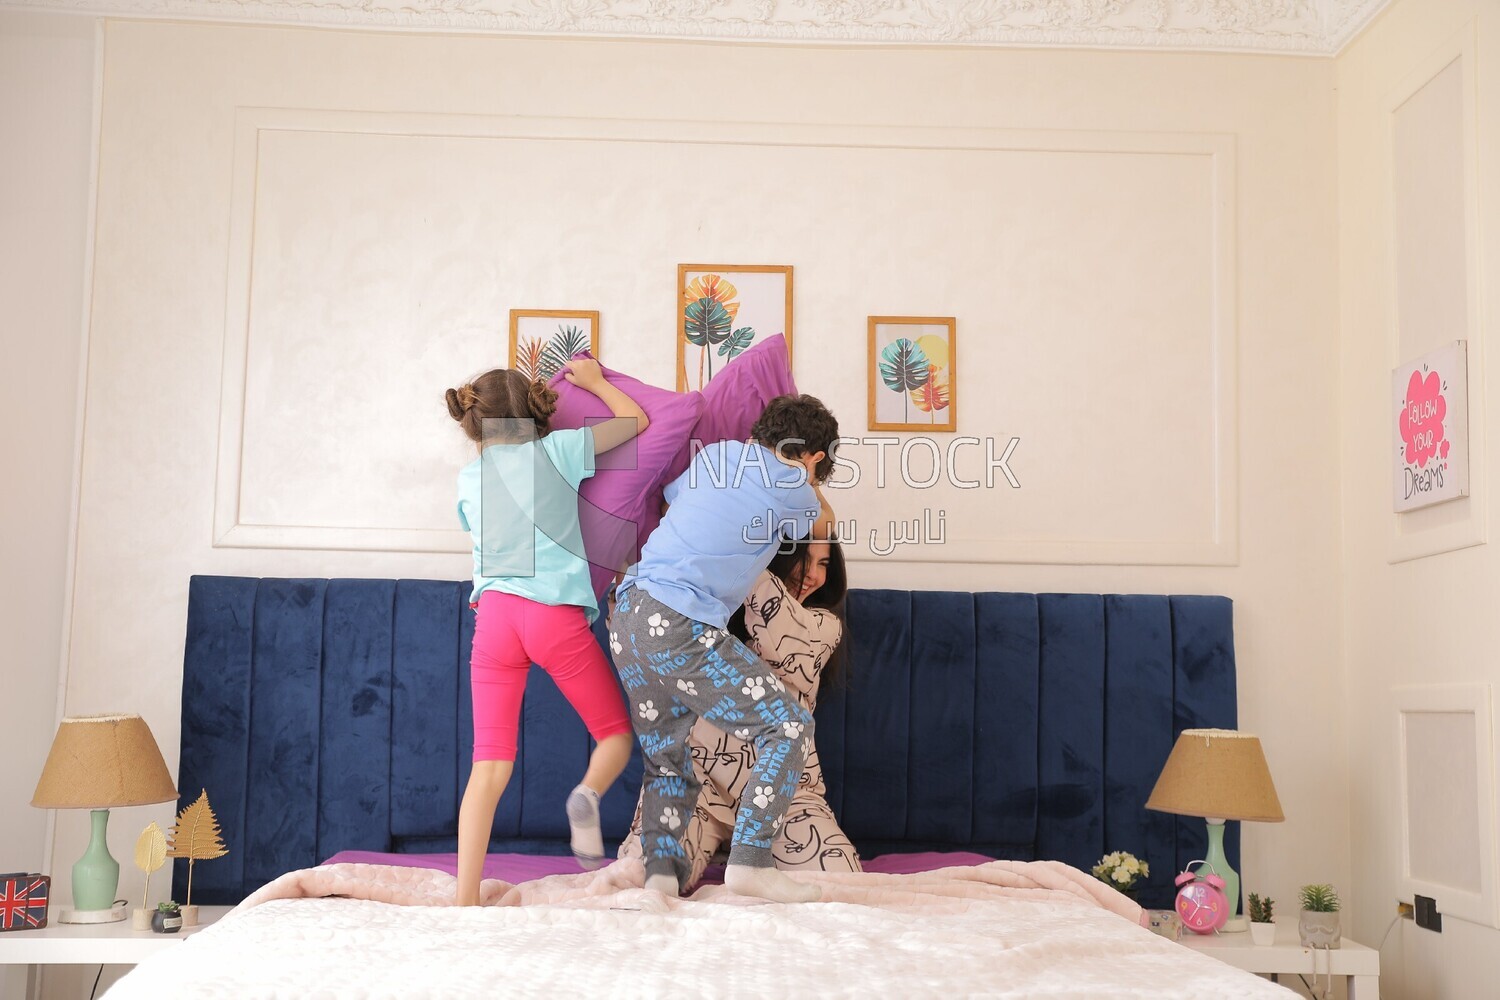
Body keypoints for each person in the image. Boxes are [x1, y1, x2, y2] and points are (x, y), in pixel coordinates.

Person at [611, 393, 839, 904]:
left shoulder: (715, 455)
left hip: (628, 614)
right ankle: (752, 862)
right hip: (678, 622)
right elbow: (820, 525)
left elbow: (673, 495)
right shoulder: (797, 491)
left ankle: (661, 880)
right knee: (788, 726)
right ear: (814, 456)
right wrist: (811, 478)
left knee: (667, 758)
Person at [446, 360, 646, 906]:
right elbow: (636, 422)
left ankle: (464, 903)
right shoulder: (559, 451)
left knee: (488, 765)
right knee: (614, 735)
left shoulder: (470, 478)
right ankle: (586, 794)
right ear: (533, 413)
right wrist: (599, 385)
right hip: (553, 617)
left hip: (494, 621)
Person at [618, 537, 859, 888]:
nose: (812, 576)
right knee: (640, 877)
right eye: (804, 559)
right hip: (700, 786)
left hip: (788, 797)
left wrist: (747, 562)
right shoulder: (703, 617)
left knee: (841, 884)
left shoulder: (822, 627)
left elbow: (783, 640)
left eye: (824, 564)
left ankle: (749, 858)